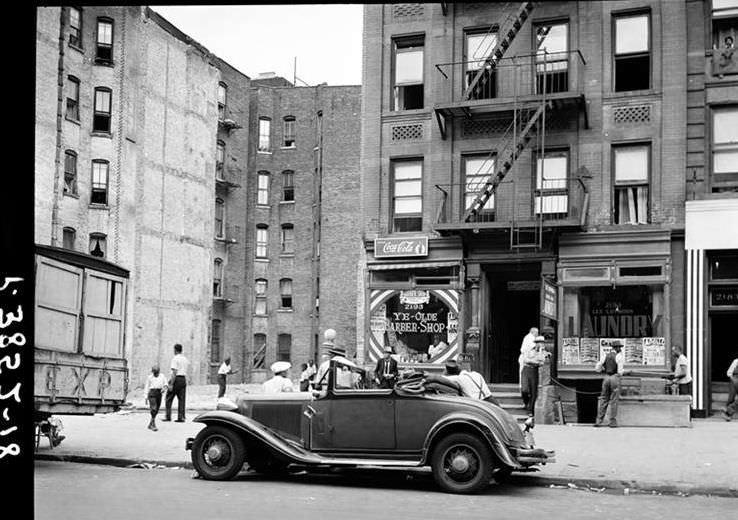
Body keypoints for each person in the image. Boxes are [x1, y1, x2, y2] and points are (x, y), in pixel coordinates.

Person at [594, 340, 625, 428]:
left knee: (604, 399)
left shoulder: (605, 355)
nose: (620, 349)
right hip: (614, 377)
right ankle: (612, 421)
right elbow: (620, 371)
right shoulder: (619, 356)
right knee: (614, 400)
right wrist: (621, 373)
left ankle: (599, 420)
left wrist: (603, 370)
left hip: (606, 377)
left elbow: (597, 368)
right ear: (617, 348)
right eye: (619, 347)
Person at [520, 335, 547, 416]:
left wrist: (540, 351)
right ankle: (526, 403)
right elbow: (525, 359)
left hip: (534, 371)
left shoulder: (543, 352)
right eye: (539, 343)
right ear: (536, 343)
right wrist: (535, 362)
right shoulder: (529, 349)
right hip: (526, 369)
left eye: (542, 343)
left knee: (533, 392)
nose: (540, 344)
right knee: (524, 389)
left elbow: (541, 362)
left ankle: (530, 410)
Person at [164, 343, 189, 423]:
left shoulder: (175, 359)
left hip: (176, 379)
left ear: (175, 350)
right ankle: (181, 416)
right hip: (183, 379)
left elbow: (174, 371)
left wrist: (171, 383)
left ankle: (168, 416)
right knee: (182, 399)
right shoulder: (185, 359)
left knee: (169, 398)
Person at [143, 365, 168, 431]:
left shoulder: (162, 376)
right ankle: (153, 424)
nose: (156, 374)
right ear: (153, 372)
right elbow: (146, 387)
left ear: (159, 372)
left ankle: (150, 424)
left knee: (157, 409)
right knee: (153, 408)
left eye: (157, 373)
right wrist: (145, 397)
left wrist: (164, 388)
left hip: (159, 393)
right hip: (152, 393)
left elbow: (166, 384)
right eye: (154, 373)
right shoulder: (149, 377)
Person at [722, 356, 738, 421]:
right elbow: (729, 372)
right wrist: (734, 380)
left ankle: (728, 410)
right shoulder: (736, 361)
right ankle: (728, 415)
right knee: (731, 398)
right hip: (735, 380)